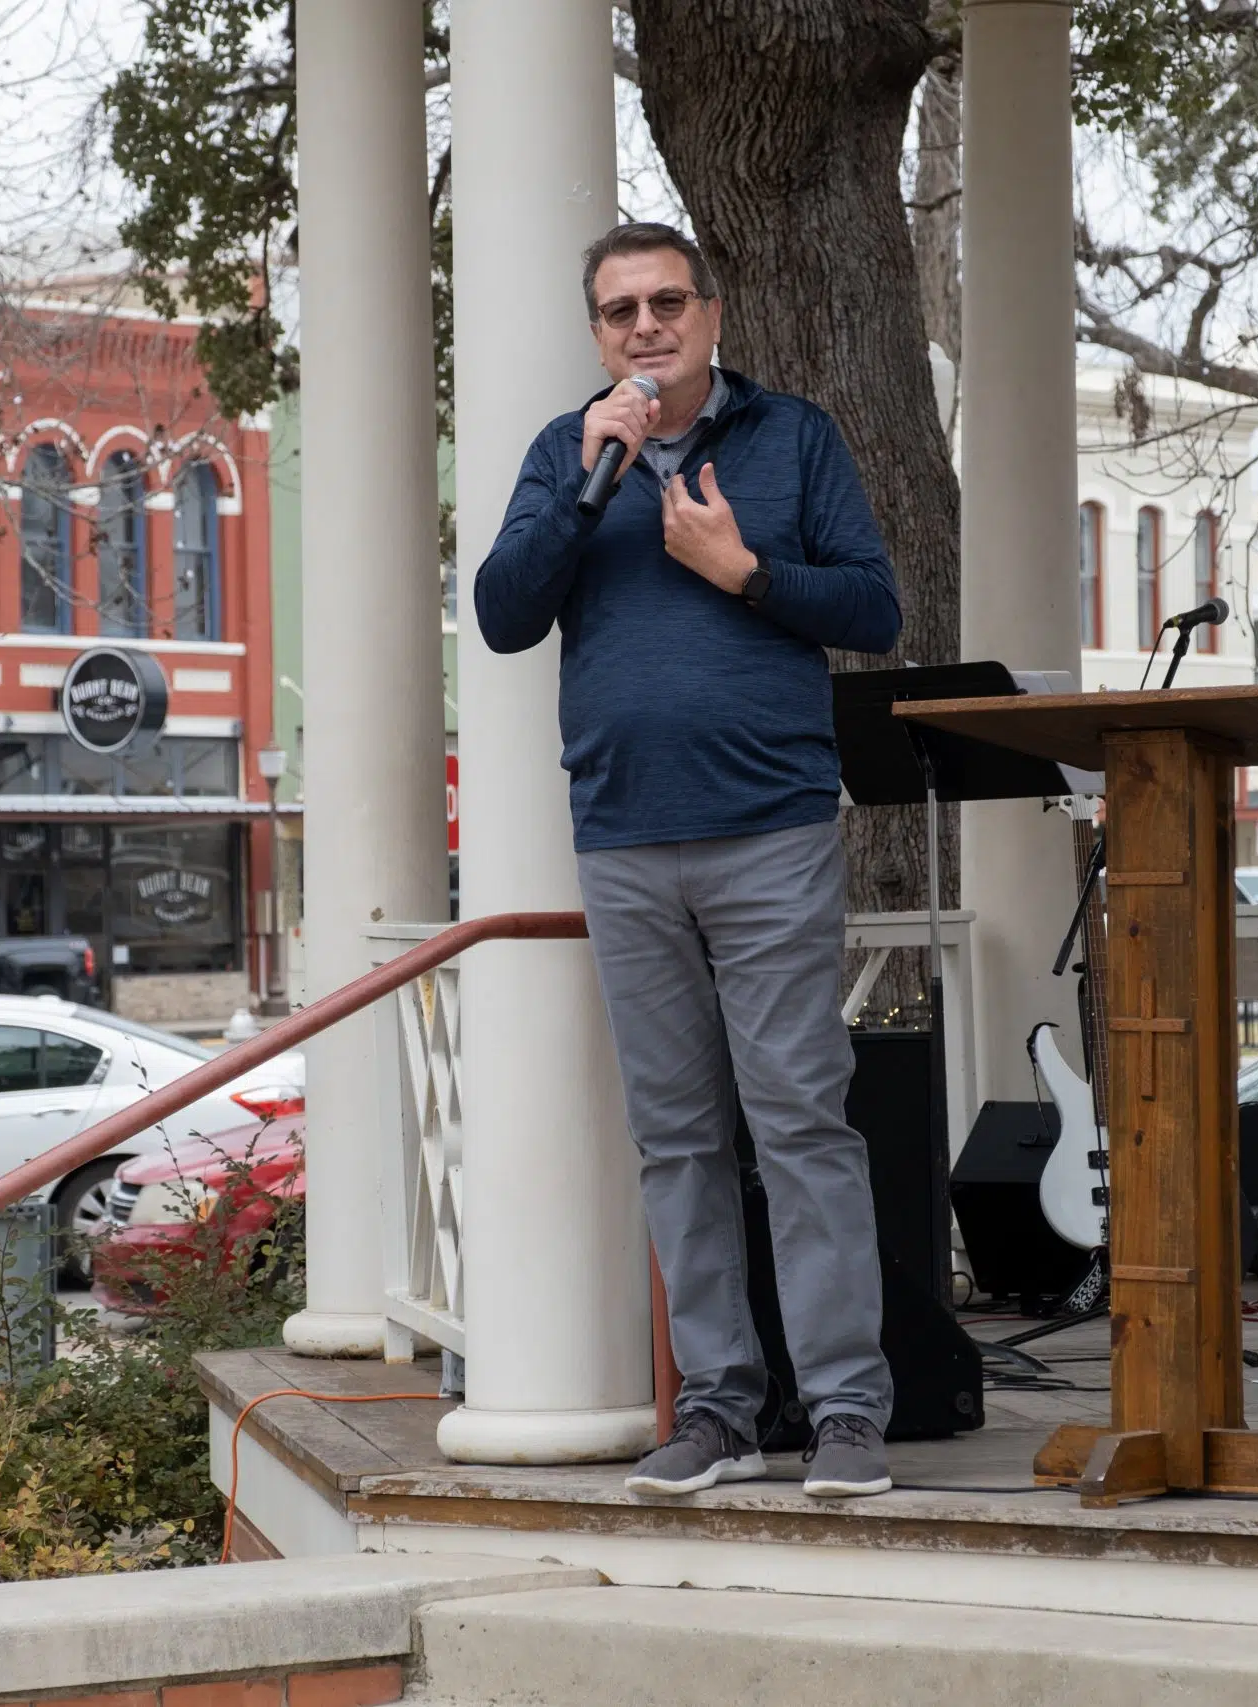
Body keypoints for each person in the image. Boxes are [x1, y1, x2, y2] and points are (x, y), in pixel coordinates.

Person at [473, 221, 902, 1499]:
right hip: (622, 837)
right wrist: (586, 478)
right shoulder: (568, 453)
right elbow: (502, 617)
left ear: (712, 315)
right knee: (675, 1139)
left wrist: (745, 571)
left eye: (668, 302)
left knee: (798, 1125)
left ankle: (843, 1415)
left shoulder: (795, 439)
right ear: (598, 333)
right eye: (620, 311)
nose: (646, 326)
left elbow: (875, 609)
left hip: (769, 832)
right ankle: (718, 1409)